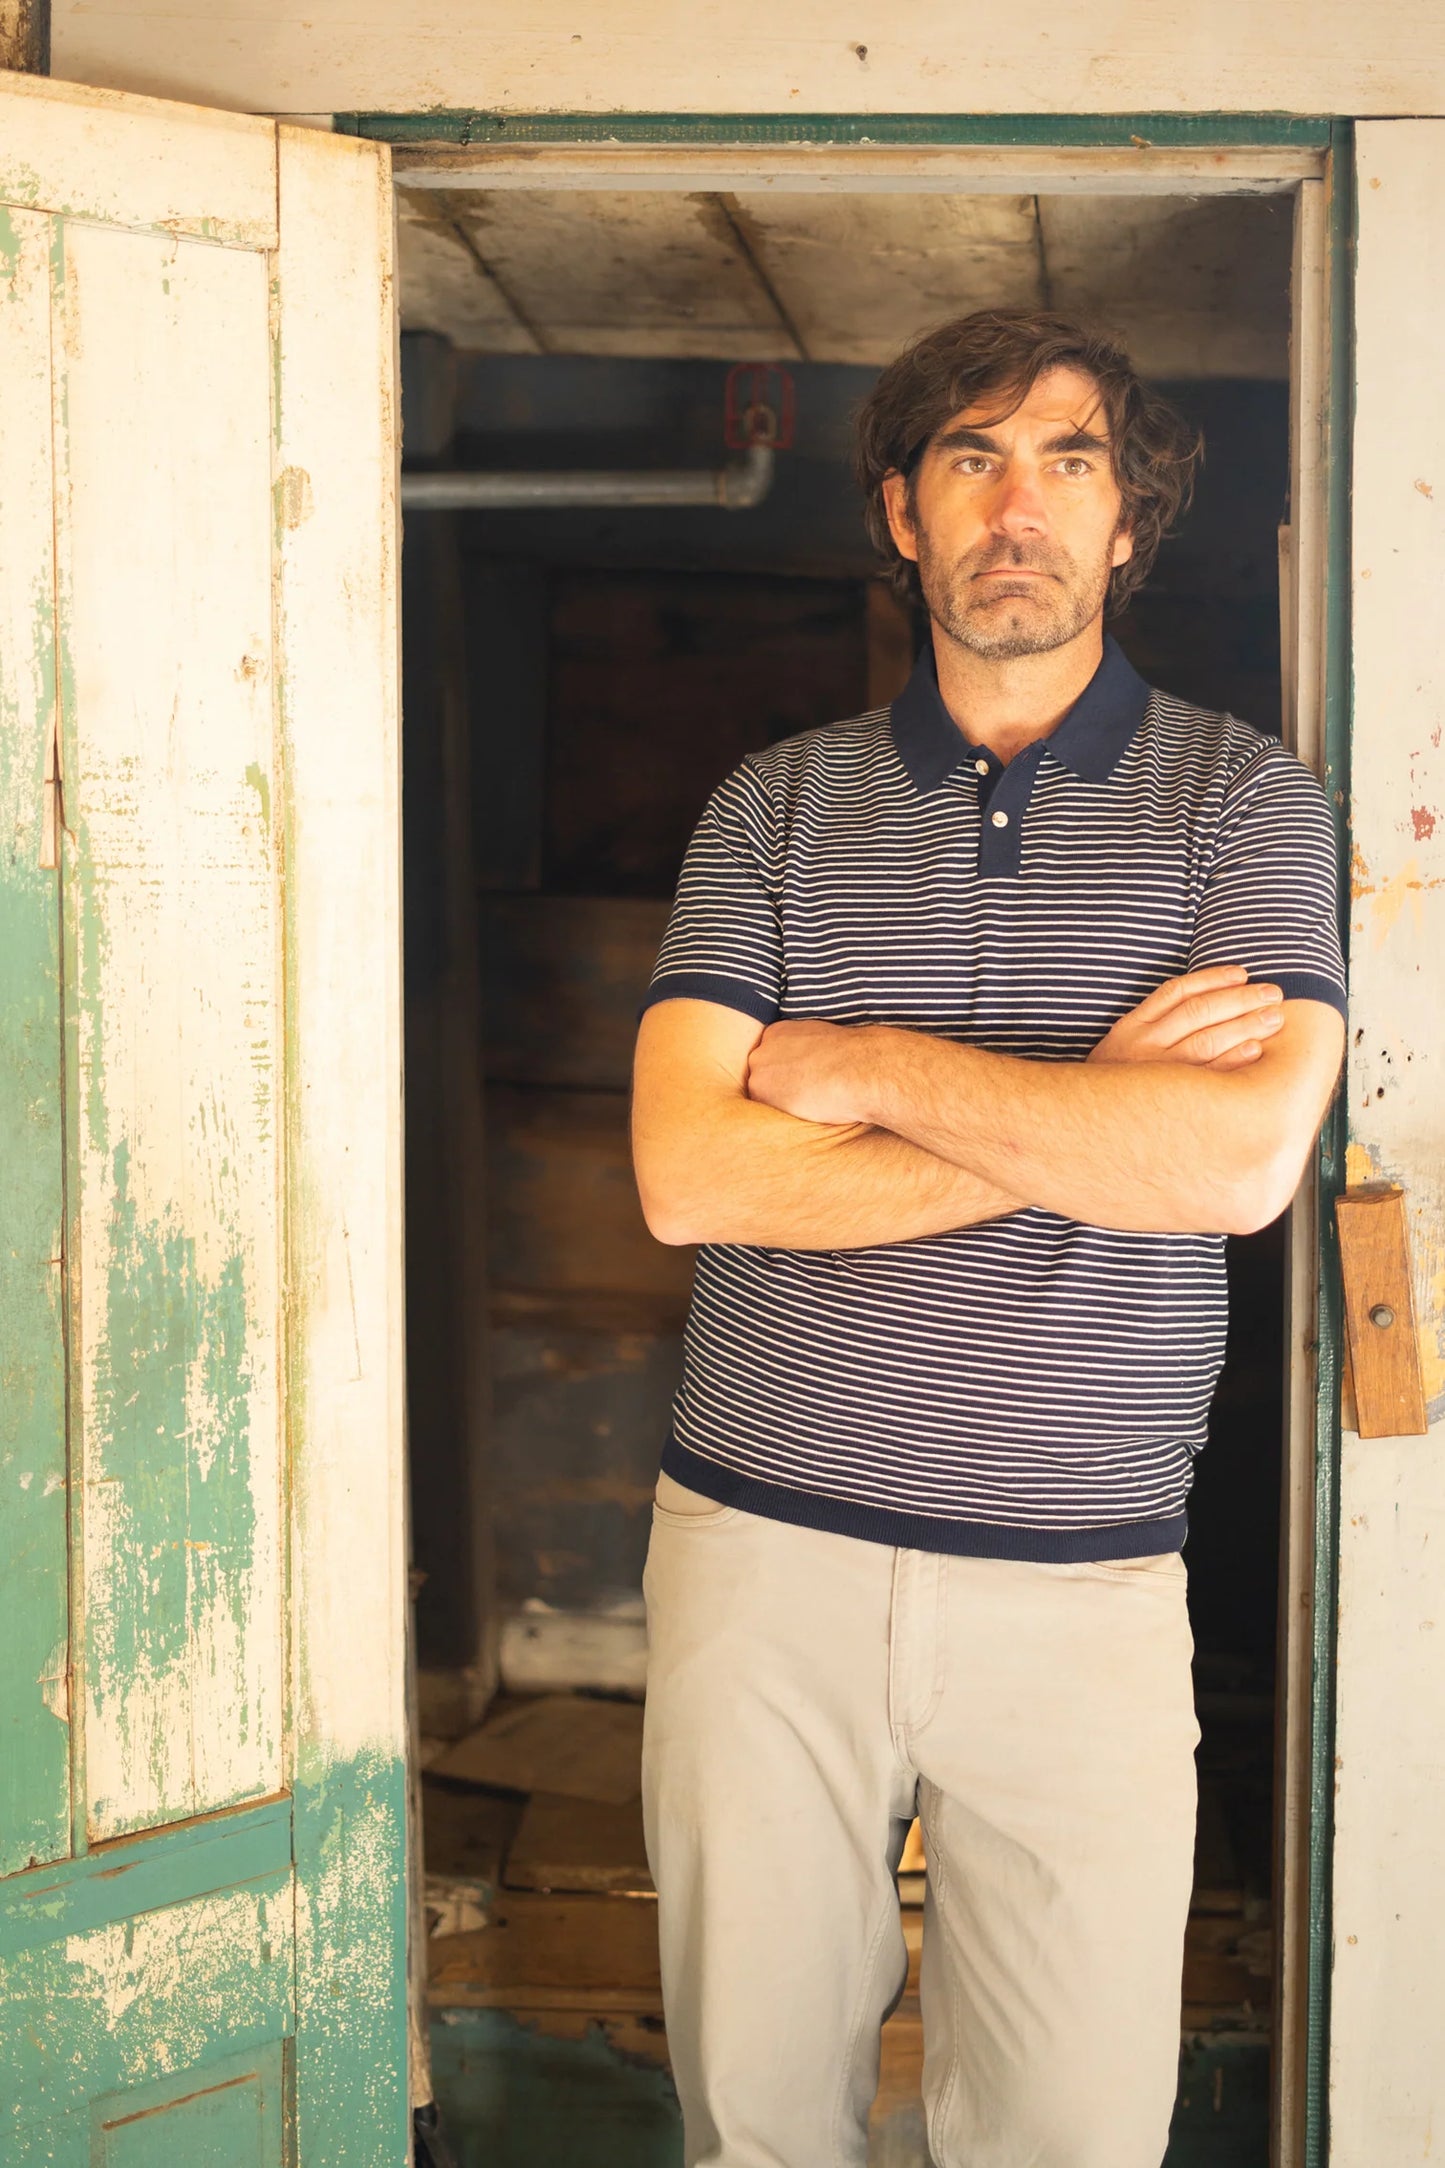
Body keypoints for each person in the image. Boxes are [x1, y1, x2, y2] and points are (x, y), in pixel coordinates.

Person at [629, 309, 1345, 2168]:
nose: (1013, 506)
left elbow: (1234, 1167)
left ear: (1126, 527)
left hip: (1079, 1579)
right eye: (968, 459)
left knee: (1068, 2132)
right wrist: (1085, 1113)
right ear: (900, 513)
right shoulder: (772, 808)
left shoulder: (1243, 805)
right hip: (761, 1557)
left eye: (1067, 461)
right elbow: (691, 1180)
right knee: (752, 2115)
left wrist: (866, 1069)